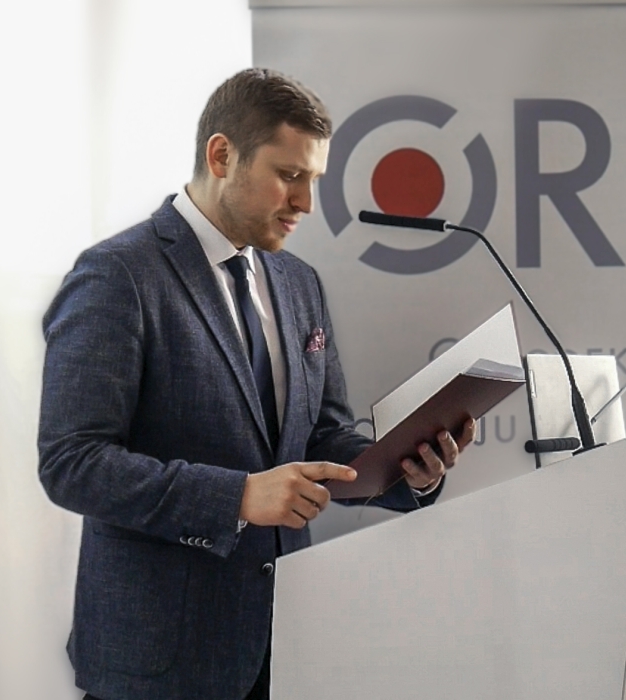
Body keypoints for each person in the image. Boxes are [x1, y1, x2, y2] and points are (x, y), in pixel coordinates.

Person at [37, 68, 475, 700]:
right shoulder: (117, 275)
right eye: (289, 175)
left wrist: (409, 468)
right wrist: (237, 497)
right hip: (158, 663)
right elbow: (72, 463)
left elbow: (321, 436)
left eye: (313, 180)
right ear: (222, 156)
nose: (305, 203)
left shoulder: (299, 283)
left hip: (281, 653)